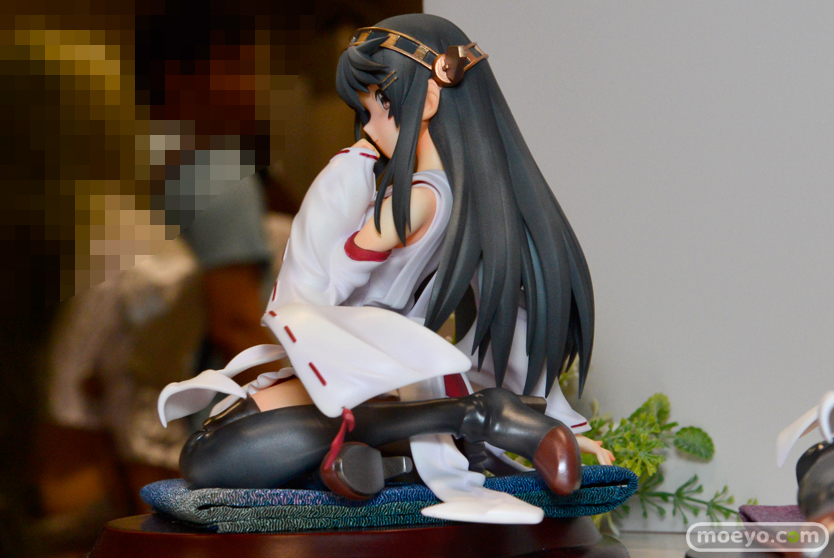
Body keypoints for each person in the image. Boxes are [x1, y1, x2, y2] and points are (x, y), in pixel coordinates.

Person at [160, 14, 613, 524]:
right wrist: (558, 417)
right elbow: (508, 310)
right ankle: (417, 447)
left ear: (430, 99)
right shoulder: (457, 199)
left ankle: (470, 416)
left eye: (377, 109)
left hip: (368, 358)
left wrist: (340, 182)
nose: (370, 129)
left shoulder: (411, 202)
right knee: (229, 445)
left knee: (208, 457)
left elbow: (329, 285)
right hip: (381, 370)